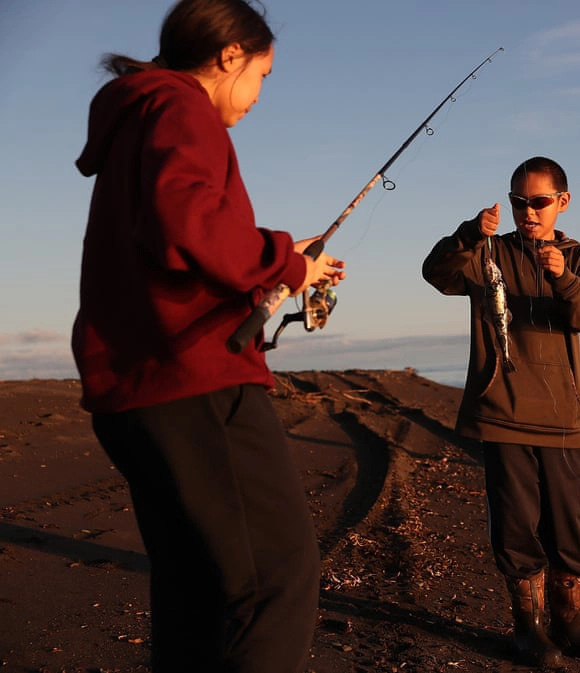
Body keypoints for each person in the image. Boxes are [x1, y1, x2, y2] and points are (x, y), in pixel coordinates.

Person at [72, 1, 345, 670]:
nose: (258, 95)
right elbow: (186, 222)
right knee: (275, 580)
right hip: (194, 384)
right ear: (230, 57)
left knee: (196, 591)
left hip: (132, 391)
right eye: (264, 74)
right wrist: (284, 262)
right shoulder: (182, 106)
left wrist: (276, 264)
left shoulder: (138, 112)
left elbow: (166, 242)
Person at [422, 156, 580, 668]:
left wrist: (563, 278)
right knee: (515, 528)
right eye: (519, 202)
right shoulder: (487, 251)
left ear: (562, 201)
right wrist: (469, 232)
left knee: (570, 527)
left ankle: (573, 624)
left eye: (538, 202)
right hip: (502, 409)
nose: (527, 212)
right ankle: (529, 631)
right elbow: (436, 273)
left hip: (564, 418)